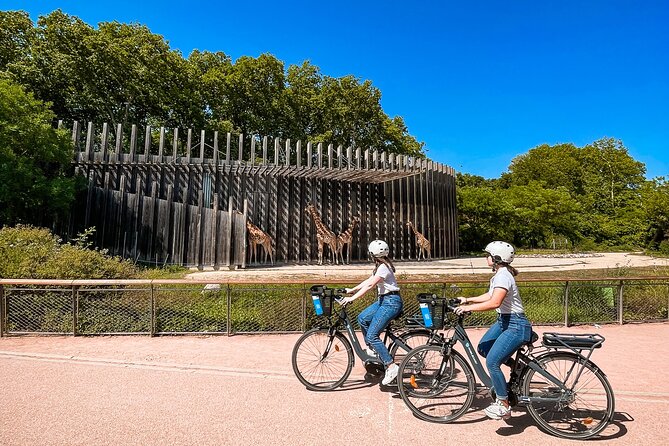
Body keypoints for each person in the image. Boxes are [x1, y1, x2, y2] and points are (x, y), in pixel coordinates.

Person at [454, 241, 532, 420]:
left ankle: (503, 404)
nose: (485, 257)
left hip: (515, 324)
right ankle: (516, 367)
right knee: (484, 348)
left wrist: (469, 309)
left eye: (487, 255)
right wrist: (467, 300)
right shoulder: (500, 274)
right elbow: (490, 295)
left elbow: (495, 302)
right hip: (505, 321)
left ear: (496, 258)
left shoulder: (504, 276)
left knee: (492, 362)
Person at [342, 239, 402, 386]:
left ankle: (391, 366)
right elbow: (368, 280)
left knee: (372, 335)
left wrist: (352, 299)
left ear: (372, 255)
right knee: (362, 318)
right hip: (384, 300)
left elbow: (370, 285)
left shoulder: (383, 267)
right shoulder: (382, 265)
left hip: (391, 302)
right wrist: (351, 290)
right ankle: (374, 349)